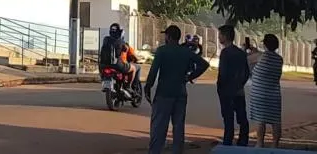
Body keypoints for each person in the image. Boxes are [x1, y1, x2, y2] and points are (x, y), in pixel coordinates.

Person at [146, 24, 210, 154]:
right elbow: (204, 64)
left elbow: (153, 72)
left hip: (164, 93)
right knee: (178, 127)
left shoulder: (162, 51)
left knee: (159, 127)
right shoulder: (186, 51)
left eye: (166, 36)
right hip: (180, 93)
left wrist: (148, 87)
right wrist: (190, 77)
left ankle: (155, 151)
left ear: (169, 37)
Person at [216, 24, 250, 146]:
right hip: (239, 90)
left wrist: (220, 86)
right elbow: (247, 72)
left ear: (225, 36)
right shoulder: (241, 53)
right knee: (241, 116)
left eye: (220, 35)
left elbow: (223, 73)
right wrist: (240, 84)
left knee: (228, 118)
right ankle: (243, 140)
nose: (219, 37)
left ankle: (228, 141)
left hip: (227, 90)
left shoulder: (225, 53)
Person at [250, 33, 284, 148]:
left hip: (260, 93)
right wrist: (256, 51)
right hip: (274, 94)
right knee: (276, 120)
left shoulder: (261, 56)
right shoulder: (279, 59)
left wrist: (248, 51)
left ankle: (260, 143)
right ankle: (275, 144)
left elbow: (248, 59)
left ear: (264, 44)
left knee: (261, 120)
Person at [99, 23, 137, 89]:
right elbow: (128, 51)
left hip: (103, 65)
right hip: (117, 65)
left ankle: (103, 79)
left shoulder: (105, 39)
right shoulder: (122, 42)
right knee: (133, 68)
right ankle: (128, 86)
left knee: (101, 69)